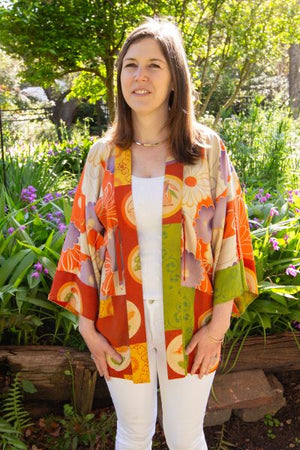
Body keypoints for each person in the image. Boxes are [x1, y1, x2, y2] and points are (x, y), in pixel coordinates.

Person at [48, 17, 258, 450]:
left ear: (175, 78)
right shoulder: (103, 157)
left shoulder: (207, 152)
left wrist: (217, 330)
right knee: (133, 433)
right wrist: (88, 331)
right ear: (120, 76)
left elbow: (230, 242)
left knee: (185, 436)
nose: (139, 76)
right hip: (119, 324)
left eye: (154, 65)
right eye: (130, 65)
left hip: (193, 322)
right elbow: (82, 243)